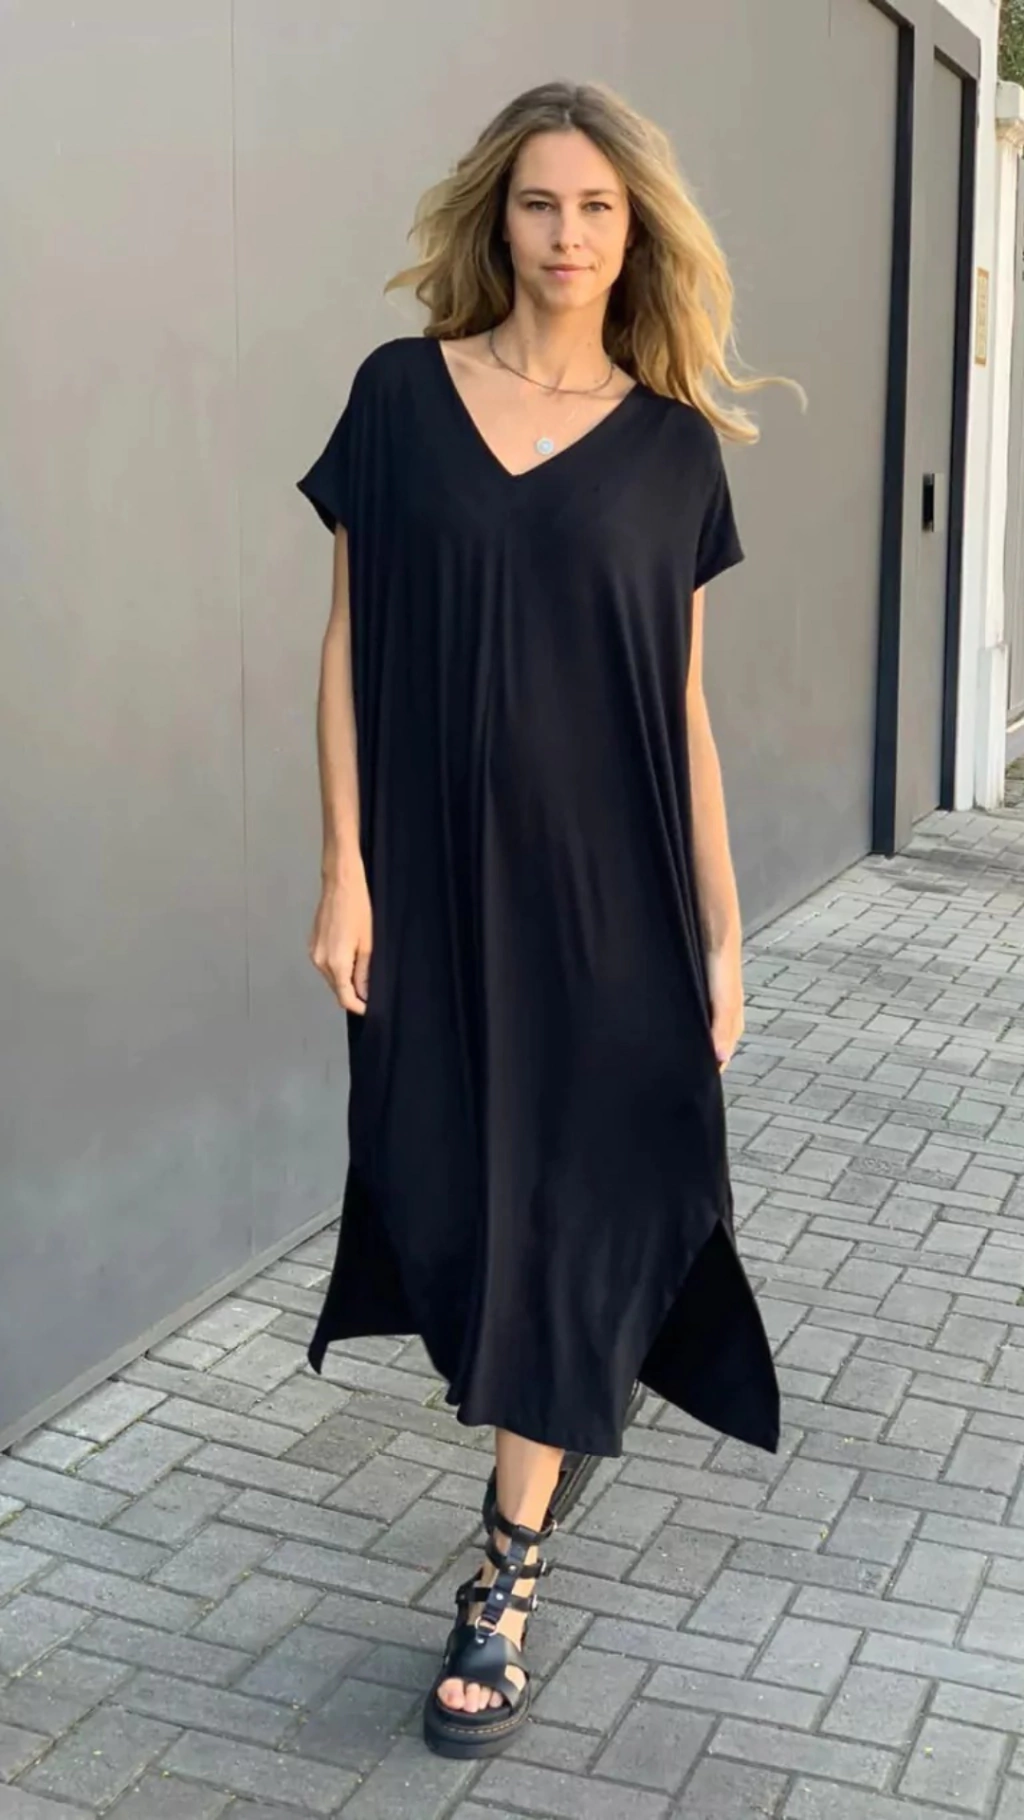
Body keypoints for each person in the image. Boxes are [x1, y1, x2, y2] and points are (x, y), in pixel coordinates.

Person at [298, 79, 784, 1762]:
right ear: (495, 219)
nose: (567, 235)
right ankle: (541, 1425)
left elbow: (682, 710)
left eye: (596, 207)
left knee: (582, 1211)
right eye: (538, 203)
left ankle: (504, 1566)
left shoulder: (674, 452)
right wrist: (345, 863)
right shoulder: (399, 398)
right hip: (435, 892)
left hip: (615, 906)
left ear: (635, 229)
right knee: (446, 1185)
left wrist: (723, 935)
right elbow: (347, 643)